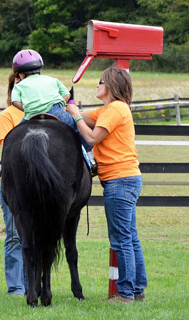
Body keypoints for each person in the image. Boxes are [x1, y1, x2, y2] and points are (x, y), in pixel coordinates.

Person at [66, 67, 147, 303]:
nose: (96, 85)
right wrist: (69, 107)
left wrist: (76, 115)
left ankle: (125, 293)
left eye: (99, 82)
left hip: (119, 180)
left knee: (121, 239)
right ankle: (137, 289)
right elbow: (76, 115)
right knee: (130, 237)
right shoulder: (107, 110)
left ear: (110, 84)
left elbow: (90, 137)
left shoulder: (115, 109)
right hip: (126, 179)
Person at [10, 49, 97, 174]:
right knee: (77, 129)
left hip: (31, 115)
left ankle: (2, 164)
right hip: (56, 112)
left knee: (13, 137)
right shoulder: (52, 80)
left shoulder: (18, 86)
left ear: (19, 74)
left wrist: (28, 108)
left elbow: (15, 102)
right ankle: (90, 156)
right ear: (39, 68)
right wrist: (59, 103)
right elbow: (67, 94)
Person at [0, 71, 27, 296]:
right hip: (15, 182)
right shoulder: (9, 114)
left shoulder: (45, 113)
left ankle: (31, 284)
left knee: (33, 235)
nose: (22, 83)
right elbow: (9, 150)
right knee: (15, 234)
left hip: (36, 184)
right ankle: (16, 287)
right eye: (18, 80)